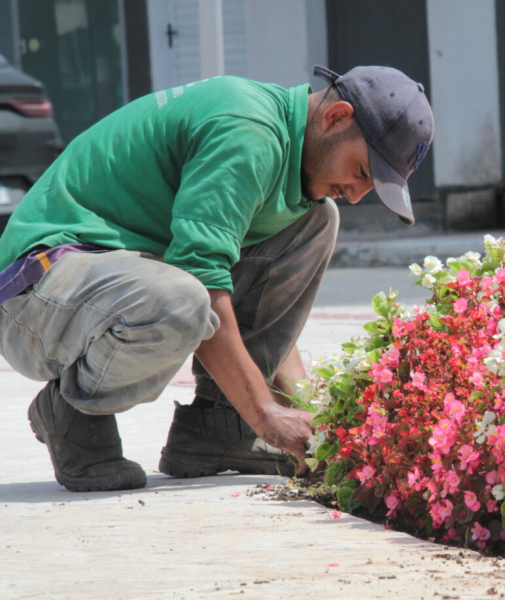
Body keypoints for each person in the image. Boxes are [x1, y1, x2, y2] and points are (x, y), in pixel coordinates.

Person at [0, 65, 433, 493]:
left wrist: (313, 417)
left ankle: (219, 428)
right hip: (38, 286)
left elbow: (263, 301)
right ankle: (74, 413)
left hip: (105, 280)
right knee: (183, 301)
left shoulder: (282, 157)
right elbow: (203, 280)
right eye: (361, 172)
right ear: (336, 117)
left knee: (317, 221)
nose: (358, 194)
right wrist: (265, 414)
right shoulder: (248, 132)